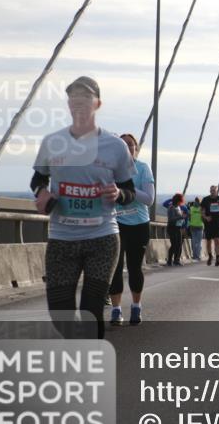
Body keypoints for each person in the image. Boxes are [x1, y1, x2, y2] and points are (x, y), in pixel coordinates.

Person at [31, 76, 136, 339]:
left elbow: (130, 191)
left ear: (97, 104)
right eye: (74, 97)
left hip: (102, 238)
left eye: (85, 97)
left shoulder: (115, 146)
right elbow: (38, 178)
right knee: (60, 313)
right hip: (62, 238)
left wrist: (119, 193)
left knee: (91, 309)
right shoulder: (52, 142)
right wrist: (41, 192)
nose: (79, 102)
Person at [109, 133, 154, 327]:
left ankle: (136, 306)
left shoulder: (143, 168)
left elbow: (149, 199)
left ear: (136, 148)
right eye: (123, 144)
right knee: (115, 268)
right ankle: (116, 310)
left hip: (139, 225)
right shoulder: (110, 169)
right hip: (115, 224)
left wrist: (128, 191)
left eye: (130, 144)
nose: (127, 147)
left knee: (135, 268)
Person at [201, 186, 219, 266]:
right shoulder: (205, 199)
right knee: (208, 241)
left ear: (216, 191)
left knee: (217, 240)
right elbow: (202, 211)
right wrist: (206, 217)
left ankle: (218, 257)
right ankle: (210, 256)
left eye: (214, 190)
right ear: (210, 191)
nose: (212, 192)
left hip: (217, 222)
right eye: (211, 190)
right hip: (208, 223)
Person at [166, 193, 186, 267]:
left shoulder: (178, 207)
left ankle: (176, 260)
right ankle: (169, 260)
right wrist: (181, 217)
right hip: (172, 227)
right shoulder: (171, 207)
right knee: (174, 244)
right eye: (180, 201)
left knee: (179, 244)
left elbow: (179, 217)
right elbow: (171, 219)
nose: (180, 203)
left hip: (178, 227)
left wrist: (182, 218)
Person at [188, 196, 204, 262]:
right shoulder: (201, 209)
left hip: (192, 226)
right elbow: (203, 217)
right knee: (199, 242)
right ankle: (198, 256)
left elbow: (189, 217)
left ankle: (194, 255)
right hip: (200, 226)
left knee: (194, 242)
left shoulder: (191, 208)